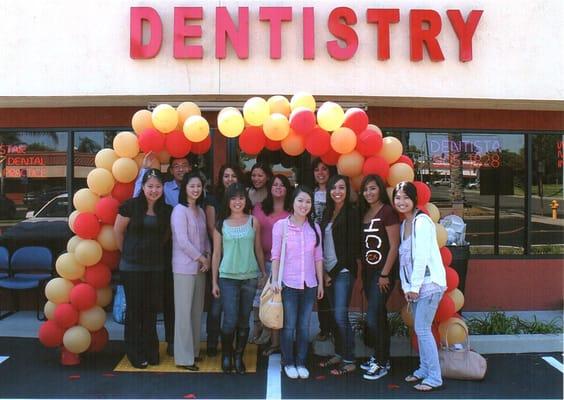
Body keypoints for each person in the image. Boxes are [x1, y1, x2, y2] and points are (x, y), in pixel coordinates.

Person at [133, 152, 194, 356]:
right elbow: (138, 198)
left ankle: (182, 341)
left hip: (191, 251)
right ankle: (166, 341)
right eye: (176, 166)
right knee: (168, 297)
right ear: (170, 170)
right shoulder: (163, 188)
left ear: (190, 169)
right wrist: (143, 170)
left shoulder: (196, 189)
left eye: (184, 165)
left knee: (186, 299)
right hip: (166, 248)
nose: (181, 169)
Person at [114, 169, 172, 369]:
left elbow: (165, 236)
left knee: (150, 310)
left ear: (162, 188)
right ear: (143, 187)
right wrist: (130, 253)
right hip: (132, 267)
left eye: (158, 186)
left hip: (155, 267)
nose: (154, 190)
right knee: (135, 310)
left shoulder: (166, 210)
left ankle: (151, 350)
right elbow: (118, 233)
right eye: (150, 186)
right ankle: (134, 352)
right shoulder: (130, 207)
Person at [393, 181, 446, 392]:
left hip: (429, 285)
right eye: (398, 197)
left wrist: (414, 286)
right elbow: (405, 260)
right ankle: (424, 369)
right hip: (415, 287)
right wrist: (407, 287)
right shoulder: (404, 224)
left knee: (422, 329)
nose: (402, 201)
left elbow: (422, 257)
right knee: (420, 329)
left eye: (406, 197)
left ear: (414, 199)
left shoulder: (422, 221)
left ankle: (434, 377)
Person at [211, 182, 266, 374]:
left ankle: (238, 356)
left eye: (241, 198)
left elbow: (258, 249)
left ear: (246, 200)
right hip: (227, 278)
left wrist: (263, 272)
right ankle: (226, 355)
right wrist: (214, 281)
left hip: (249, 277)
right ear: (227, 201)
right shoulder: (220, 224)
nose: (237, 202)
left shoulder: (253, 221)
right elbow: (216, 254)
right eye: (233, 198)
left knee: (244, 320)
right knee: (230, 320)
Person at [271, 186, 324, 380]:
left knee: (304, 326)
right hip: (288, 284)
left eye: (308, 201)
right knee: (289, 326)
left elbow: (319, 257)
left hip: (309, 283)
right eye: (300, 200)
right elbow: (275, 255)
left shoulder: (314, 228)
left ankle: (301, 361)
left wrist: (320, 283)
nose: (304, 205)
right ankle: (288, 361)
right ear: (292, 203)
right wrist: (276, 279)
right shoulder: (281, 226)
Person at [358, 174, 400, 380]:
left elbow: (394, 246)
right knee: (378, 316)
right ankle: (381, 357)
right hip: (368, 273)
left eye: (373, 188)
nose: (369, 193)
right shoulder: (365, 212)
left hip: (382, 274)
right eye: (365, 189)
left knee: (374, 317)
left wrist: (384, 274)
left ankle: (382, 363)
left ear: (380, 189)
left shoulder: (388, 212)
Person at [319, 175, 360, 376]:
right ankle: (339, 353)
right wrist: (324, 272)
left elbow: (351, 250)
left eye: (341, 187)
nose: (337, 191)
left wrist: (331, 274)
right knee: (334, 316)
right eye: (333, 187)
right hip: (327, 272)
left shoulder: (352, 213)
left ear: (347, 190)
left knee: (340, 315)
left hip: (342, 272)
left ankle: (350, 358)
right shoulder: (327, 212)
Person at [170, 172, 210, 371]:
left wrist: (208, 256)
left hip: (200, 268)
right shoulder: (179, 210)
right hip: (184, 268)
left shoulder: (200, 211)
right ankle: (184, 358)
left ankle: (194, 352)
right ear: (184, 188)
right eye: (192, 186)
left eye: (198, 186)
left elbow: (205, 239)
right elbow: (182, 241)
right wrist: (201, 257)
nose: (196, 189)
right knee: (184, 313)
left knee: (196, 312)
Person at [204, 163, 243, 356]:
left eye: (233, 176)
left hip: (238, 257)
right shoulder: (213, 199)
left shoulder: (241, 198)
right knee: (216, 304)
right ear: (221, 178)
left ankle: (232, 342)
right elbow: (212, 228)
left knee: (234, 305)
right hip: (220, 254)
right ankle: (212, 341)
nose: (229, 179)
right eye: (226, 175)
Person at [251, 174, 292, 355]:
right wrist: (260, 268)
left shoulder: (292, 211)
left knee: (277, 304)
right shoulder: (259, 208)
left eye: (282, 185)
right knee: (258, 301)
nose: (278, 187)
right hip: (261, 262)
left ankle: (275, 342)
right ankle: (260, 332)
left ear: (287, 189)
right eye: (275, 184)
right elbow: (253, 238)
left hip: (284, 266)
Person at [311, 158, 336, 342]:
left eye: (324, 169)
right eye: (317, 170)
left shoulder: (336, 193)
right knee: (320, 291)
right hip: (314, 245)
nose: (320, 173)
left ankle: (336, 328)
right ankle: (324, 328)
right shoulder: (309, 195)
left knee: (333, 288)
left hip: (333, 245)